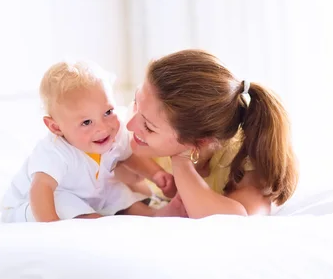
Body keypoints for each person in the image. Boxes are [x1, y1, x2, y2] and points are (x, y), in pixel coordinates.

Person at [126, 49, 298, 218]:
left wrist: (182, 164)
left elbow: (237, 221)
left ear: (199, 142)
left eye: (148, 127)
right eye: (136, 101)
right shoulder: (140, 126)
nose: (129, 124)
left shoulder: (244, 159)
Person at [0, 61, 176, 222]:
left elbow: (127, 155)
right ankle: (94, 220)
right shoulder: (54, 151)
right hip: (32, 204)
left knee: (116, 190)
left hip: (91, 194)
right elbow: (40, 189)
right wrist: (51, 228)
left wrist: (155, 173)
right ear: (56, 127)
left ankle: (152, 215)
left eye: (108, 112)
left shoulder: (115, 132)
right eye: (86, 122)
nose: (103, 128)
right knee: (62, 202)